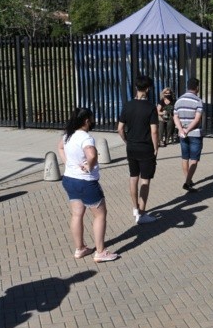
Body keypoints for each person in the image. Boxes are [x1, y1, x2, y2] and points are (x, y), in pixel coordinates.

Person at [58, 108, 118, 263]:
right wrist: (89, 166)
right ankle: (100, 252)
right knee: (100, 215)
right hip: (86, 182)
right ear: (86, 121)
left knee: (77, 214)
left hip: (69, 179)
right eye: (91, 119)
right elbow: (91, 154)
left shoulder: (67, 135)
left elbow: (60, 147)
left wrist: (68, 164)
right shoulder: (86, 138)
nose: (92, 121)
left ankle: (80, 249)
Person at [117, 75, 159, 225]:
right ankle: (142, 213)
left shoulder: (127, 105)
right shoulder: (150, 107)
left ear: (136, 87)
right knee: (145, 180)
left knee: (133, 177)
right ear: (147, 89)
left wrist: (126, 140)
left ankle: (135, 208)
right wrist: (156, 147)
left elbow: (120, 128)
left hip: (132, 146)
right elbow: (154, 131)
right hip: (146, 147)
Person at [173, 78, 204, 192]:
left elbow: (175, 117)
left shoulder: (179, 100)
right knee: (194, 159)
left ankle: (188, 179)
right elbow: (197, 119)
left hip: (182, 134)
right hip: (195, 133)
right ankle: (187, 183)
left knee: (185, 158)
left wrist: (182, 129)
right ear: (197, 87)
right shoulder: (198, 101)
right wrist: (188, 129)